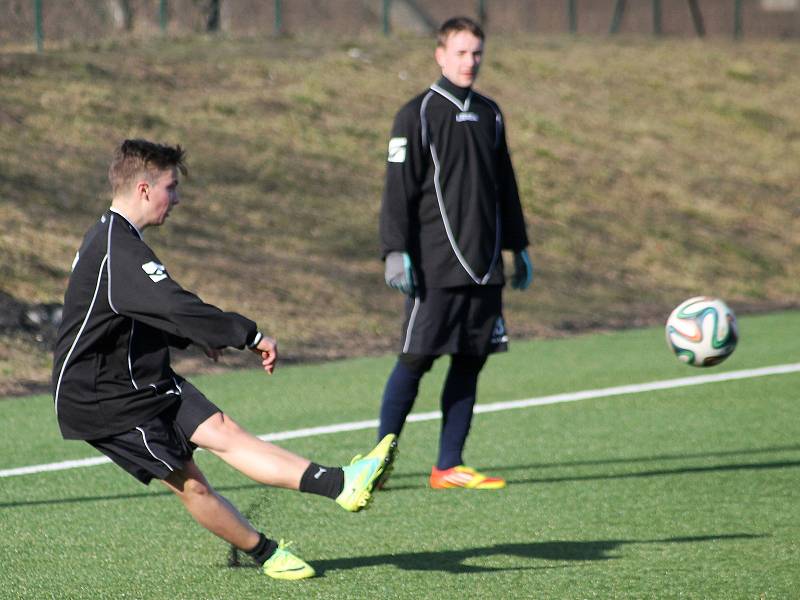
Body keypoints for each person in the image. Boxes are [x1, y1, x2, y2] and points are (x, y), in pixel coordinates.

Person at [52, 139, 397, 581]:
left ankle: (343, 484)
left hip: (140, 375)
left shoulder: (115, 238)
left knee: (225, 432)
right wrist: (246, 333)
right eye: (171, 188)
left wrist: (193, 337)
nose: (176, 199)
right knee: (191, 482)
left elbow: (135, 310)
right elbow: (173, 305)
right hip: (104, 399)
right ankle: (266, 553)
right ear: (143, 189)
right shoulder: (116, 247)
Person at [378, 17, 532, 490]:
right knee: (415, 358)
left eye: (476, 53)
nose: (470, 62)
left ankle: (448, 466)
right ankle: (378, 462)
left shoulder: (491, 113)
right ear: (440, 55)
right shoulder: (417, 113)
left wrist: (518, 246)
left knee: (471, 360)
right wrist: (394, 250)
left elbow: (505, 183)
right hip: (435, 265)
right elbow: (398, 189)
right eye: (461, 53)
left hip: (485, 266)